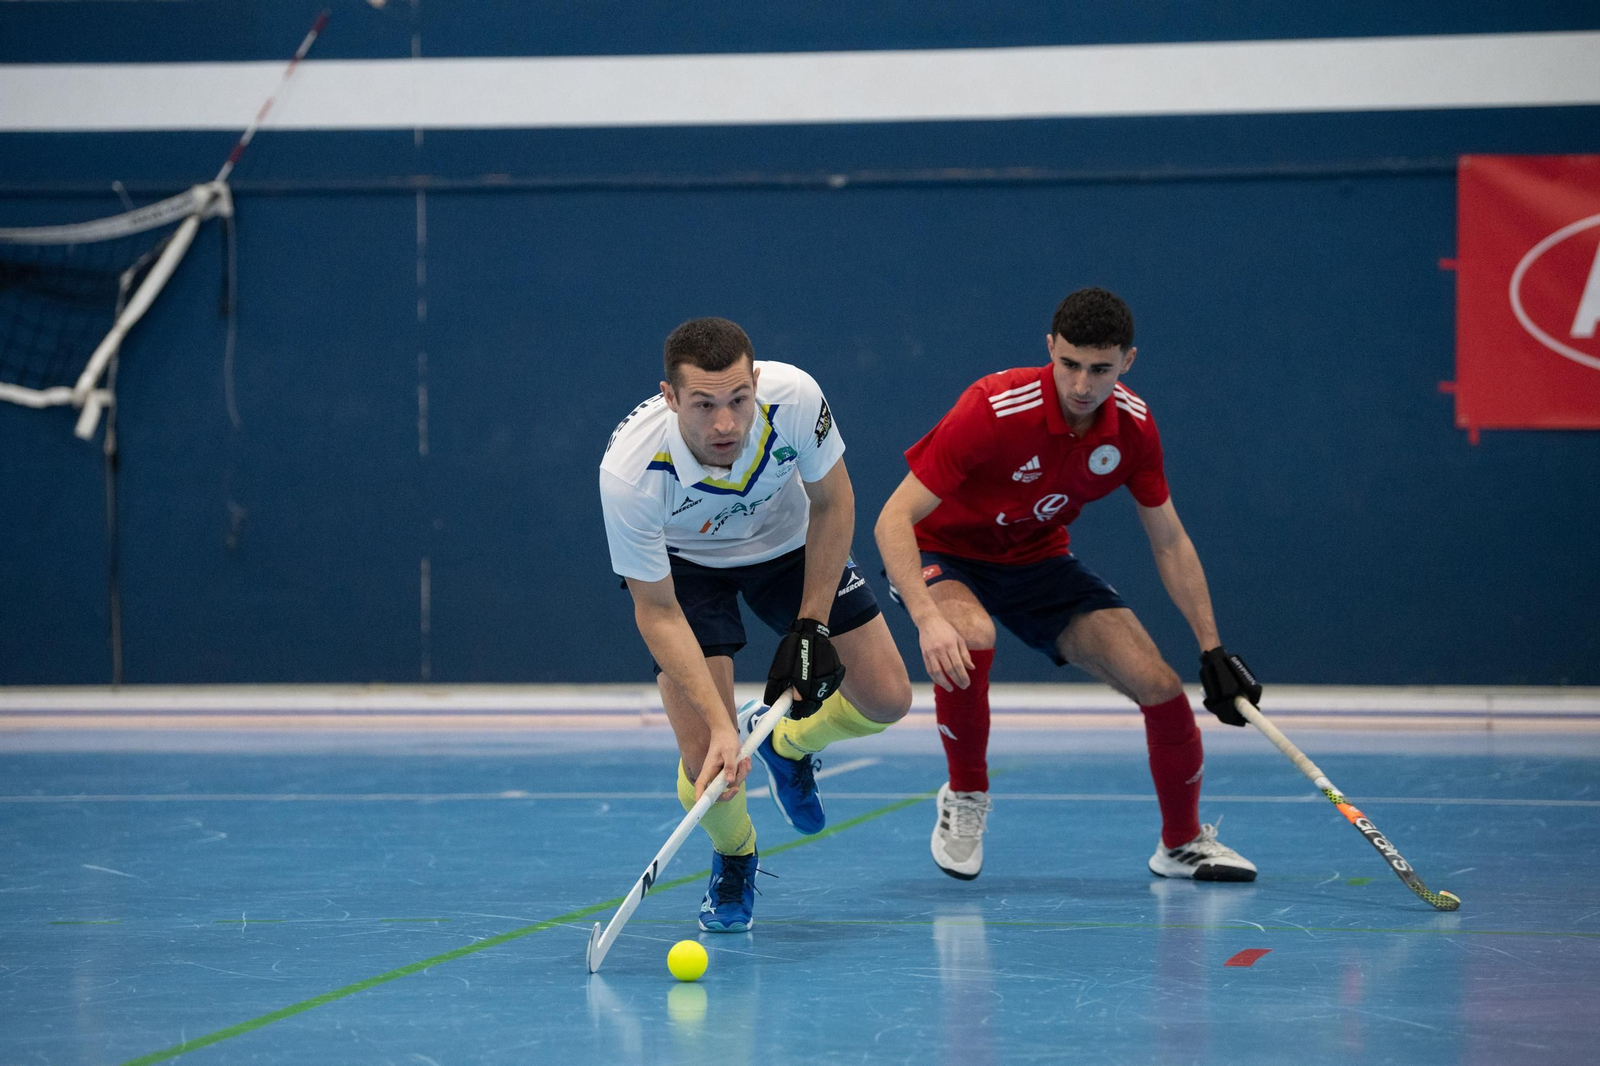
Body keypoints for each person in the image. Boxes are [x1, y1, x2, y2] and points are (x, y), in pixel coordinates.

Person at [873, 287, 1261, 882]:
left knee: (1160, 686)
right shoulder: (993, 407)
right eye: (1070, 364)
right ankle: (966, 795)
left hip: (1037, 560)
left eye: (1100, 369)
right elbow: (893, 518)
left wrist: (1212, 648)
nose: (1082, 385)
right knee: (970, 635)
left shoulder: (1133, 428)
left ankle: (1181, 843)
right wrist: (927, 617)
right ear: (1050, 348)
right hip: (944, 551)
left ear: (1127, 361)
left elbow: (1170, 540)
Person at [600, 316, 912, 932]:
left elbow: (834, 501)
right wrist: (721, 726)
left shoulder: (794, 396)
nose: (726, 422)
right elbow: (656, 609)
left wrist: (811, 626)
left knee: (887, 698)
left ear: (757, 382)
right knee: (708, 762)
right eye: (704, 404)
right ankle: (735, 854)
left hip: (791, 545)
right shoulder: (630, 475)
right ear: (670, 398)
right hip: (686, 568)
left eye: (739, 399)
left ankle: (786, 741)